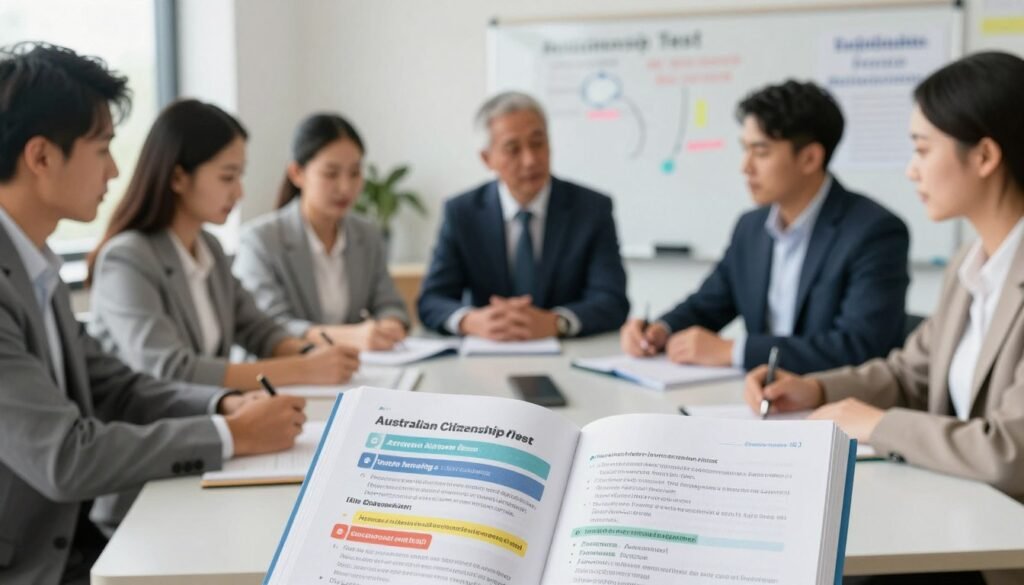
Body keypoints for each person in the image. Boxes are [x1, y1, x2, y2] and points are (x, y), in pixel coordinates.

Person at [0, 43, 306, 585]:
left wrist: (225, 402)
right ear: (42, 156)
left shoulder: (35, 264)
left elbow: (117, 386)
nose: (115, 171)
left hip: (72, 540)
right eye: (102, 150)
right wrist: (230, 435)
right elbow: (66, 458)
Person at [746, 52, 1024, 585]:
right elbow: (908, 374)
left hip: (1001, 553)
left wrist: (875, 424)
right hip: (959, 525)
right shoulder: (970, 264)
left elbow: (1008, 451)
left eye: (922, 149)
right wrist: (815, 390)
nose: (910, 169)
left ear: (985, 155)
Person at [621, 80, 910, 374]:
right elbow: (708, 304)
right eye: (745, 150)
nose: (745, 167)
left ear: (810, 158)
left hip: (833, 405)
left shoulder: (874, 232)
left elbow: (860, 347)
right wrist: (660, 330)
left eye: (760, 152)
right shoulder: (751, 226)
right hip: (754, 399)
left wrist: (734, 351)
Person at [87, 99, 359, 391]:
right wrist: (303, 369)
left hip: (209, 416)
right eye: (227, 177)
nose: (239, 192)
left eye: (240, 176)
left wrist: (310, 354)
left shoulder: (209, 248)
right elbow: (171, 369)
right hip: (150, 430)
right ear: (178, 177)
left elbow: (258, 329)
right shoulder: (128, 259)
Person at [417, 91, 629, 340]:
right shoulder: (462, 212)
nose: (530, 160)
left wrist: (556, 322)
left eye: (538, 143)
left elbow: (612, 300)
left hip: (567, 354)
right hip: (486, 356)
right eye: (513, 149)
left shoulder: (591, 208)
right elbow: (432, 299)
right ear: (487, 159)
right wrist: (470, 321)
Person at [233, 113, 410, 351]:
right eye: (331, 174)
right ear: (297, 173)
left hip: (357, 371)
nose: (346, 187)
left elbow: (389, 302)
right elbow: (269, 326)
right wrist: (345, 336)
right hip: (288, 371)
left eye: (355, 173)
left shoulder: (367, 235)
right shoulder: (260, 241)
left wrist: (390, 323)